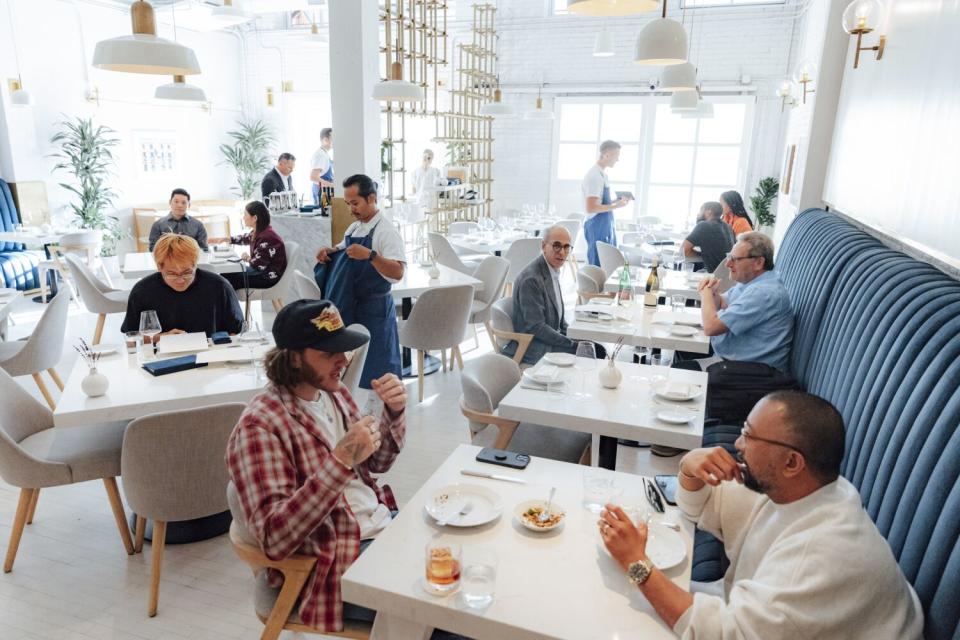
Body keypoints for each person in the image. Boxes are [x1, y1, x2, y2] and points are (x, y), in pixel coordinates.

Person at [598, 391, 924, 639]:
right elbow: (697, 507)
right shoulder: (803, 491)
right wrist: (690, 467)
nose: (738, 443)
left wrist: (636, 563)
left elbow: (723, 634)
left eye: (749, 435)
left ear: (792, 463)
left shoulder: (819, 554)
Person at [225, 299, 408, 634]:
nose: (343, 360)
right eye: (328, 353)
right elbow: (275, 537)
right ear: (293, 357)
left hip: (379, 526)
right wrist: (339, 461)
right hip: (331, 562)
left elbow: (376, 464)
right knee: (450, 615)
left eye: (344, 349)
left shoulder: (333, 393)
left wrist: (392, 413)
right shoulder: (259, 427)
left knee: (466, 580)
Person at [314, 174, 405, 388]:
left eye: (355, 203)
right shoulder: (355, 227)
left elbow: (398, 272)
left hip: (376, 310)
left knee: (379, 372)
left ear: (371, 198)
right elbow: (343, 246)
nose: (350, 209)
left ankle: (382, 416)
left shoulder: (386, 231)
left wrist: (371, 256)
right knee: (353, 372)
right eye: (347, 204)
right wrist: (330, 251)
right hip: (353, 308)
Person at [503, 224, 606, 365]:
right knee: (594, 353)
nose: (562, 252)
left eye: (566, 247)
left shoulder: (552, 270)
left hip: (551, 339)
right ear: (544, 246)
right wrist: (570, 344)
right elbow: (536, 327)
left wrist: (575, 337)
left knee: (597, 348)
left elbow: (560, 321)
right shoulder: (531, 279)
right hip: (535, 346)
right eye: (557, 246)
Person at [692, 232, 793, 372]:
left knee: (677, 372)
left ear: (758, 263)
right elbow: (722, 303)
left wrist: (705, 293)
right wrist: (713, 292)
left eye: (735, 259)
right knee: (680, 363)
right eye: (729, 257)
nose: (728, 264)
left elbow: (710, 328)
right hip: (733, 363)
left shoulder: (763, 293)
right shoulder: (751, 283)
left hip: (754, 375)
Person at [120, 233, 243, 338]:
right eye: (172, 274)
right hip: (161, 358)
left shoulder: (220, 286)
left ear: (195, 265)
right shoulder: (142, 292)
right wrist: (162, 338)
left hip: (211, 355)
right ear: (159, 267)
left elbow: (236, 331)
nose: (180, 280)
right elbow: (131, 337)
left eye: (187, 272)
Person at [217, 201, 287, 291]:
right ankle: (226, 303)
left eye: (245, 215)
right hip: (261, 272)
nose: (243, 218)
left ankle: (227, 304)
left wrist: (247, 258)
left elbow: (259, 265)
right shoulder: (260, 232)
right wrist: (230, 239)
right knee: (226, 275)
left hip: (267, 277)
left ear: (254, 218)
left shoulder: (267, 237)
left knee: (227, 278)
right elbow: (246, 238)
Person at [582, 140, 630, 267]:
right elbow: (591, 207)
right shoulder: (594, 176)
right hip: (597, 227)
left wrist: (615, 202)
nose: (618, 160)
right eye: (616, 156)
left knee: (607, 265)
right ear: (607, 154)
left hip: (604, 226)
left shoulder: (602, 175)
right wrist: (616, 206)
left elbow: (599, 202)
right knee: (598, 265)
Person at [682, 201, 735, 273]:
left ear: (709, 212)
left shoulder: (704, 225)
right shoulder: (728, 227)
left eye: (701, 210)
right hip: (728, 274)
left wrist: (703, 255)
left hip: (714, 275)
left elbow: (684, 251)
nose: (699, 214)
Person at [310, 128, 334, 206]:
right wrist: (332, 185)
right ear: (325, 139)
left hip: (325, 191)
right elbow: (313, 177)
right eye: (333, 138)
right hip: (321, 192)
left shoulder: (325, 154)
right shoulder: (321, 155)